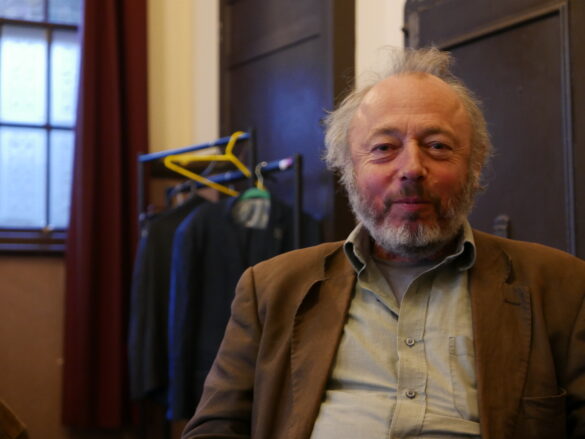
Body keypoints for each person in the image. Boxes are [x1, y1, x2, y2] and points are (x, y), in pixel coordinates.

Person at [181, 48, 585, 439]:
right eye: (384, 148)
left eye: (437, 146)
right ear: (348, 168)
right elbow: (215, 428)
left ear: (475, 165)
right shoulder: (272, 288)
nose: (412, 168)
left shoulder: (560, 286)